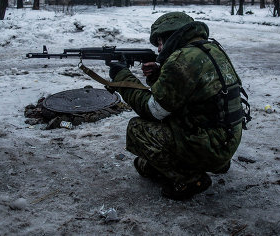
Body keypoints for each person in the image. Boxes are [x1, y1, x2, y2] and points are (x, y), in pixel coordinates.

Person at [107, 12, 249, 200]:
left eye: (159, 42)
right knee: (148, 160)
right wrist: (159, 75)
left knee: (137, 128)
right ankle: (214, 162)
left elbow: (153, 110)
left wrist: (122, 76)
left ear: (170, 36)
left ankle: (190, 179)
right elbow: (189, 93)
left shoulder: (182, 59)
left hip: (212, 145)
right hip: (227, 138)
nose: (158, 50)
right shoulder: (211, 48)